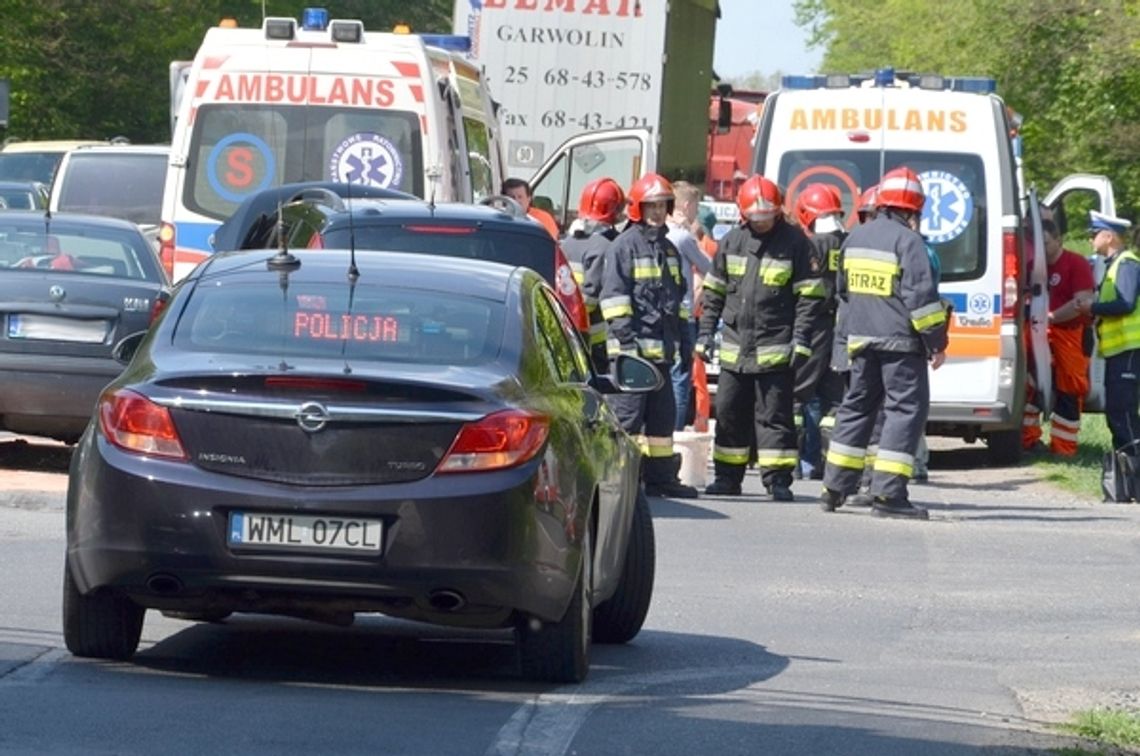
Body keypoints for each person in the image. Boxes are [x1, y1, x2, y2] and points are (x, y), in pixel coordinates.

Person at [820, 166, 948, 519]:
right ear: (913, 209)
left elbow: (844, 294)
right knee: (905, 410)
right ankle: (889, 496)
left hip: (860, 342)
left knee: (856, 408)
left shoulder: (855, 239)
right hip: (899, 345)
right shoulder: (909, 243)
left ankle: (833, 488)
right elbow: (921, 299)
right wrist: (937, 342)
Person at [696, 175, 824, 500]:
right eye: (756, 217)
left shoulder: (796, 244)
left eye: (767, 217)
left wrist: (802, 339)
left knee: (774, 417)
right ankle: (727, 477)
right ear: (744, 214)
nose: (762, 223)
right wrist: (704, 333)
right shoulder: (732, 242)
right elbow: (713, 293)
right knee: (728, 413)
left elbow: (809, 298)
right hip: (735, 348)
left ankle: (777, 479)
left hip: (775, 348)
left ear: (777, 213)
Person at [600, 173, 699, 499]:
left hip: (662, 353)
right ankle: (616, 477)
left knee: (662, 419)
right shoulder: (623, 247)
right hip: (633, 353)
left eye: (661, 205)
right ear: (638, 209)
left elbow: (679, 300)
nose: (657, 212)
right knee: (627, 418)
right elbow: (613, 300)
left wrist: (685, 341)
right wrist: (627, 345)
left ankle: (659, 479)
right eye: (651, 206)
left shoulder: (670, 250)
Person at [1022, 216, 1095, 455]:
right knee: (1030, 385)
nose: (1043, 248)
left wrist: (1051, 317)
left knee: (1069, 390)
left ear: (1059, 240)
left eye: (1047, 243)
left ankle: (1063, 448)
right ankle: (1027, 440)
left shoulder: (1076, 263)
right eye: (1038, 243)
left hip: (1070, 335)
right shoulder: (1035, 266)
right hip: (1040, 333)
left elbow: (1082, 302)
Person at [792, 183, 846, 480]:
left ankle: (796, 463)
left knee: (798, 397)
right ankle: (830, 466)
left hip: (813, 327)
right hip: (842, 329)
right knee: (834, 401)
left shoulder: (810, 246)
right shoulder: (850, 242)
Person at [1075, 210, 1139, 453]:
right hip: (1119, 351)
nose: (1091, 240)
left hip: (1129, 351)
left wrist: (1093, 307)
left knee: (1123, 413)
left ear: (1109, 236)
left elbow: (1125, 303)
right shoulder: (1115, 265)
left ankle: (1134, 472)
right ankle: (1127, 474)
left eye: (1094, 234)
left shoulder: (1127, 264)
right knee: (1117, 413)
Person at [561, 177, 626, 373]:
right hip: (594, 338)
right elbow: (591, 297)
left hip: (565, 329)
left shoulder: (567, 243)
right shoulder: (606, 247)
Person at [666, 180, 712, 430]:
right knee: (681, 375)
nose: (696, 212)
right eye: (695, 206)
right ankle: (673, 433)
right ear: (686, 205)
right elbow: (710, 267)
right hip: (684, 314)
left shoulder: (660, 231)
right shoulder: (683, 237)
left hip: (662, 314)